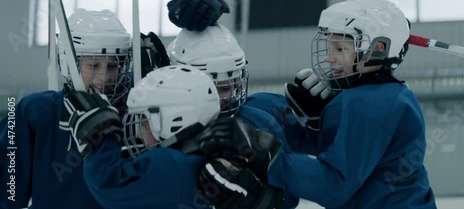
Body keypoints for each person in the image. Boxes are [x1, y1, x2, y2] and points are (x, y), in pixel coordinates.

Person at [198, 0, 438, 208]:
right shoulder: (380, 95)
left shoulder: (371, 103)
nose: (328, 56)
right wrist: (315, 125)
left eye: (340, 48)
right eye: (330, 46)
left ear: (378, 49)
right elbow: (348, 152)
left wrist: (266, 154)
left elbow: (333, 186)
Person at [0, 1, 227, 207]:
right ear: (68, 62)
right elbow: (10, 190)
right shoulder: (35, 110)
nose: (104, 77)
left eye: (113, 66)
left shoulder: (139, 110)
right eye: (93, 66)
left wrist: (161, 75)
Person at [79, 25, 288, 209]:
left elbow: (108, 184)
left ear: (173, 121)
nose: (140, 135)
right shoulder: (213, 156)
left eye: (144, 122)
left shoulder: (167, 163)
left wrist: (100, 142)